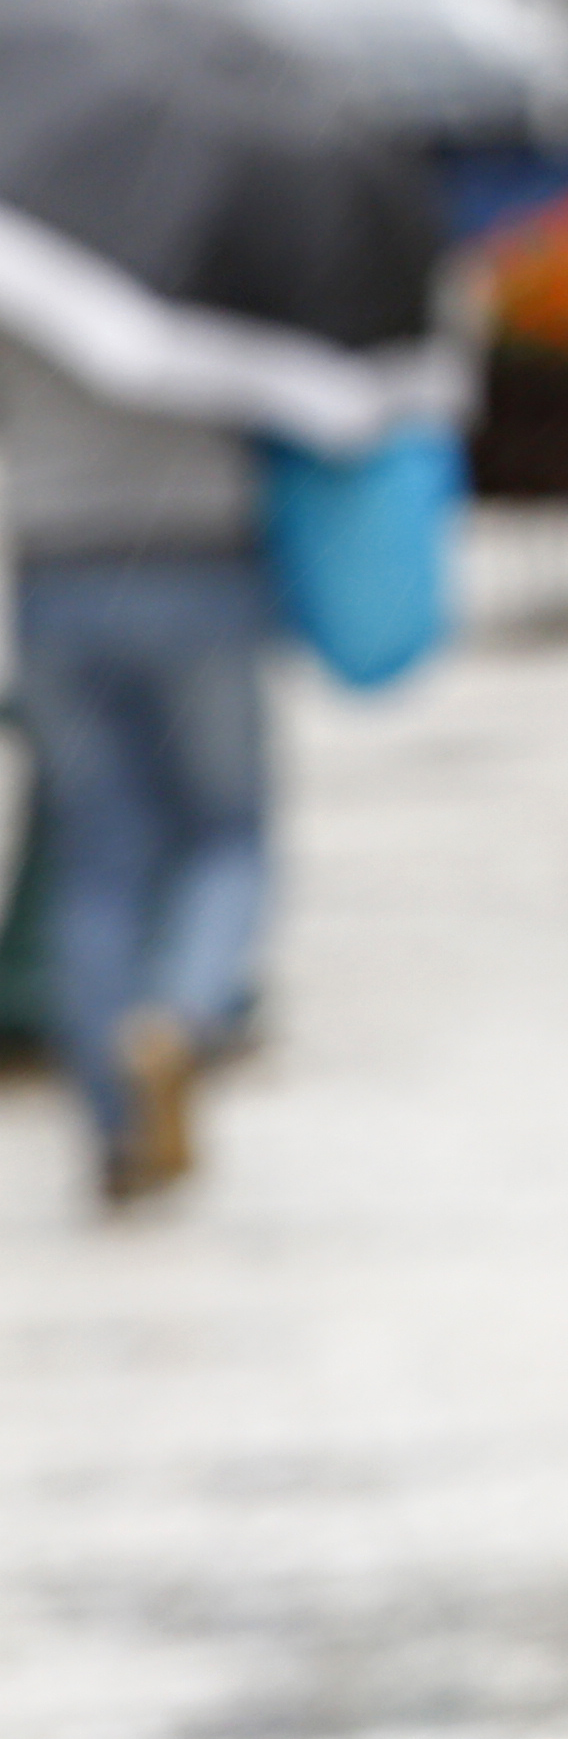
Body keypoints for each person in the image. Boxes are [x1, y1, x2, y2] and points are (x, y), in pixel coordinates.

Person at [7, 339, 280, 1209]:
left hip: (58, 572)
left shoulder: (32, 262)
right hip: (200, 560)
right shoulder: (210, 242)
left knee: (97, 857)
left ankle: (114, 1124)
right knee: (227, 832)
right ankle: (184, 1011)